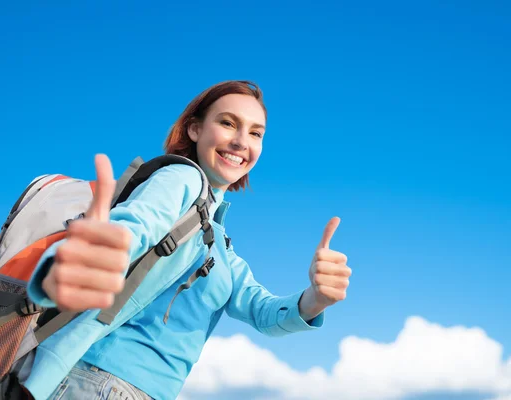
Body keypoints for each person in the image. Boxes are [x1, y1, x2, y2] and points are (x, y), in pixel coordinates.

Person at [22, 80, 352, 400]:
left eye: (255, 133)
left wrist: (316, 298)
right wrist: (91, 255)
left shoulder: (220, 244)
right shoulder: (181, 178)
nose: (241, 141)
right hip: (99, 381)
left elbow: (264, 312)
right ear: (195, 129)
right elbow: (137, 224)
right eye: (227, 123)